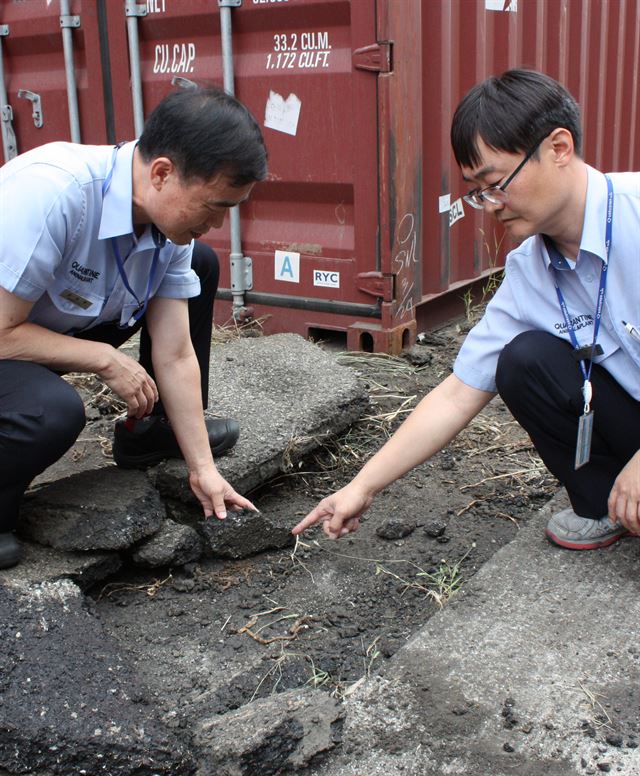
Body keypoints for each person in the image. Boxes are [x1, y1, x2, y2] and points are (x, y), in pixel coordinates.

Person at [293, 68, 640, 552]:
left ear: (558, 148)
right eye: (478, 192)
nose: (492, 205)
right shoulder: (531, 270)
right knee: (524, 361)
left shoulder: (636, 214)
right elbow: (457, 394)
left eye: (497, 183)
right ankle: (607, 504)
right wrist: (361, 487)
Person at [0, 86, 268, 569]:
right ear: (162, 172)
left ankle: (150, 432)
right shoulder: (54, 193)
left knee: (201, 264)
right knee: (51, 412)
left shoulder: (168, 220)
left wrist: (202, 469)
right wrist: (105, 359)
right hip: (4, 331)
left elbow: (175, 352)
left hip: (47, 322)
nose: (217, 223)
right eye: (215, 207)